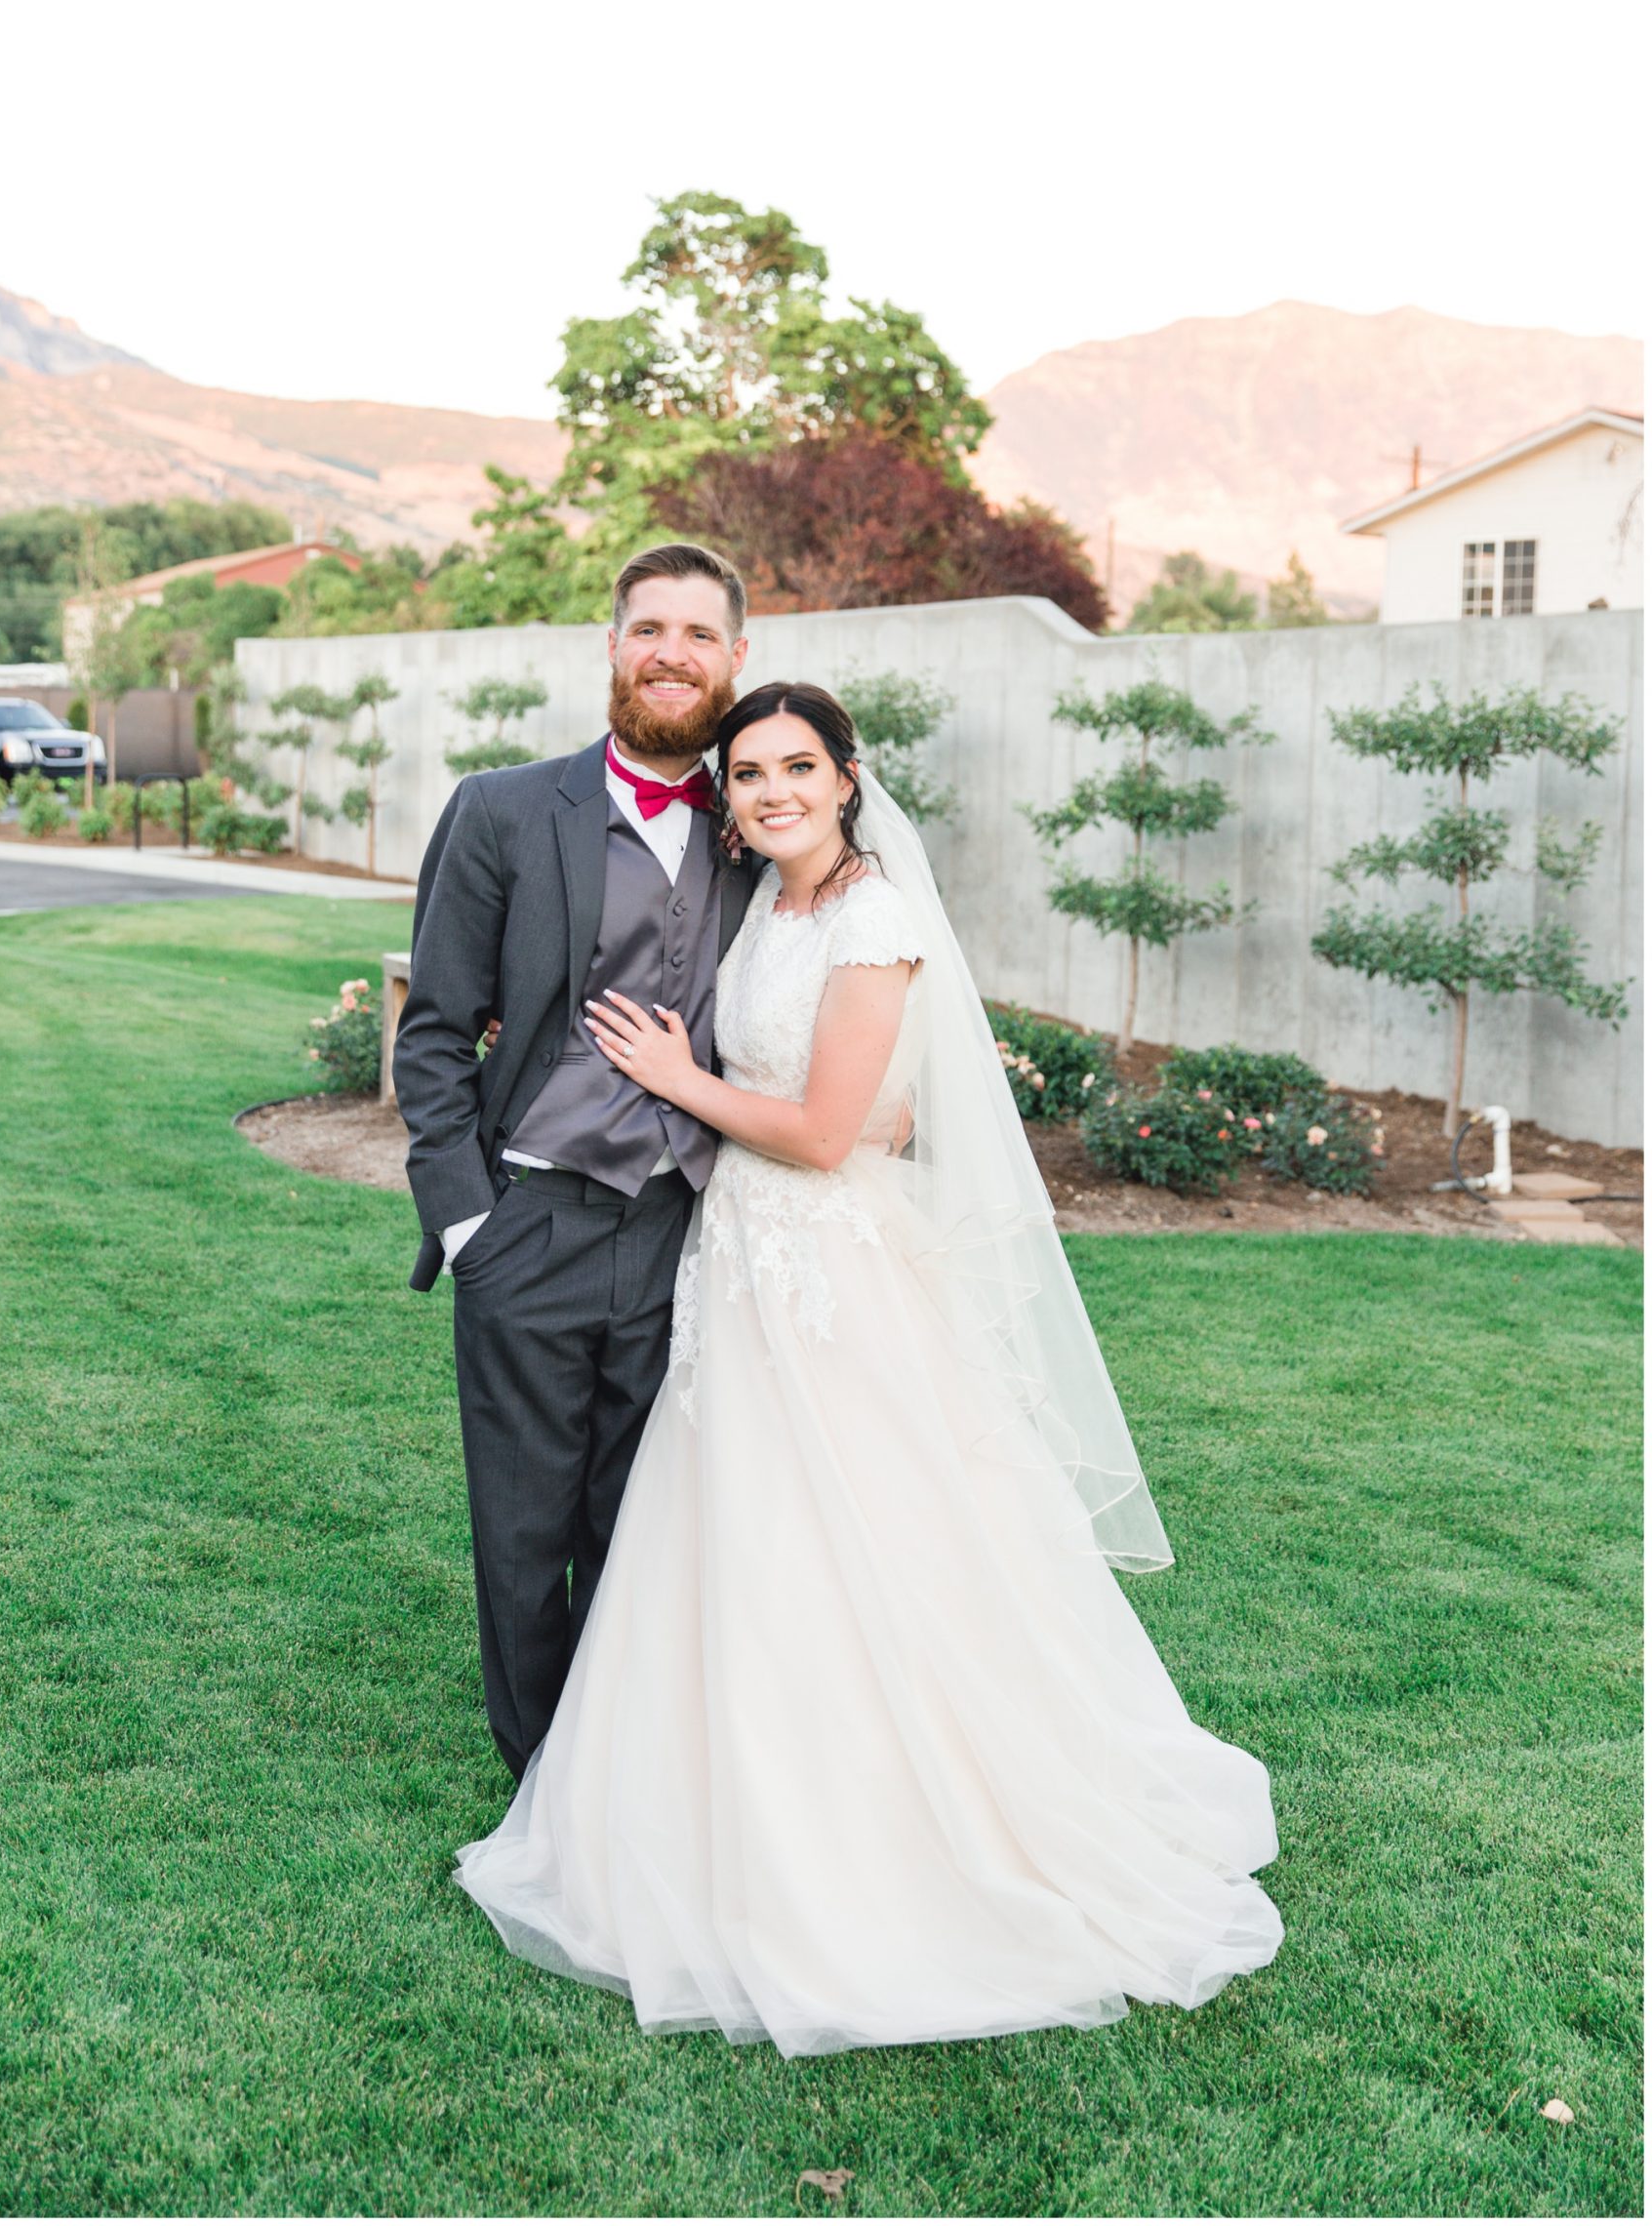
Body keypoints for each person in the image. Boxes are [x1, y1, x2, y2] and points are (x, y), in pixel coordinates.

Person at [453, 680, 1284, 2057]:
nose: (770, 790)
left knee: (869, 1535)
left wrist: (674, 1075)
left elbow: (833, 1132)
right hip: (738, 1262)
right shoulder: (761, 906)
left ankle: (901, 1835)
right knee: (738, 1536)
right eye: (747, 773)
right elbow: (876, 1104)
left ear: (849, 777)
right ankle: (708, 1808)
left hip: (831, 1273)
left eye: (796, 767)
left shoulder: (874, 914)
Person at [391, 543, 760, 1781]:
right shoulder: (502, 810)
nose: (670, 652)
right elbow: (434, 1033)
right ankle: (539, 1785)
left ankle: (625, 1784)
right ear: (611, 645)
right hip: (528, 1223)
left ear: (734, 660)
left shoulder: (763, 826)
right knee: (520, 1529)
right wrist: (465, 1227)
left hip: (692, 1229)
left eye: (697, 634)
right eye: (647, 627)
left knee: (645, 1523)